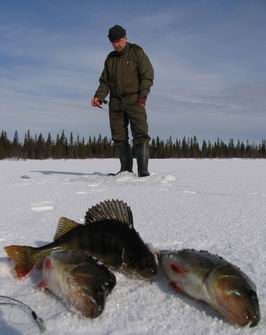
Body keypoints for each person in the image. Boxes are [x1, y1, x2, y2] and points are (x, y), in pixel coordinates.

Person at [91, 25, 154, 177]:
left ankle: (143, 171)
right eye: (113, 42)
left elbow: (147, 75)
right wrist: (99, 96)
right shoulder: (110, 59)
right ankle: (125, 171)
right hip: (115, 103)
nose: (116, 44)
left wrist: (142, 97)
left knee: (140, 134)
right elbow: (105, 81)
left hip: (135, 100)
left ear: (125, 38)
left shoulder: (136, 52)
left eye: (119, 41)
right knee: (119, 137)